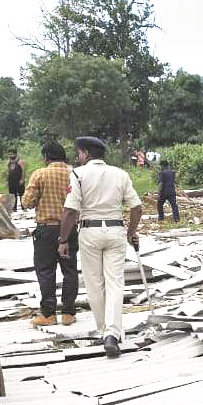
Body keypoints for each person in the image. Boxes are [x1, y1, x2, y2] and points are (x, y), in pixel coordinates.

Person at [58, 137, 142, 359]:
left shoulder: (78, 174)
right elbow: (136, 207)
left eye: (79, 153)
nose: (78, 157)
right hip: (116, 230)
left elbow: (70, 211)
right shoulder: (121, 174)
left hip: (90, 231)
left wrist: (63, 240)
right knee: (115, 282)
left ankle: (104, 330)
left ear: (86, 153)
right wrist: (131, 232)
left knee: (95, 284)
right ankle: (112, 334)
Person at [23, 141, 78, 327]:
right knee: (69, 270)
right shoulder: (75, 174)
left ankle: (48, 314)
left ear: (46, 157)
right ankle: (69, 313)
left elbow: (27, 202)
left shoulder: (40, 174)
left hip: (46, 229)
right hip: (69, 228)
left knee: (46, 271)